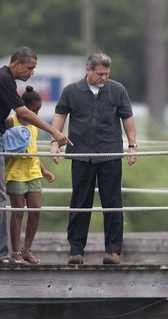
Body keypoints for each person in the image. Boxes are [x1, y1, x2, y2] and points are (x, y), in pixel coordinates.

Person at [0, 47, 70, 265]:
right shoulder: (3, 78)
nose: (32, 72)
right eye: (30, 67)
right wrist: (53, 130)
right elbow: (22, 112)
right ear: (16, 63)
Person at [50, 52, 137, 265]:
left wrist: (132, 145)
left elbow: (128, 117)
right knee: (80, 202)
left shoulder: (117, 90)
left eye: (106, 74)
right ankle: (76, 250)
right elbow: (60, 116)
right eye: (100, 74)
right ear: (88, 70)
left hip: (110, 154)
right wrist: (54, 141)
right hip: (81, 153)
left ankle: (113, 251)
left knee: (113, 202)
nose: (104, 78)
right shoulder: (71, 91)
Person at [4, 86, 56, 264]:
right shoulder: (10, 122)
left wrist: (43, 170)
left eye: (38, 111)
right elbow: (5, 146)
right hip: (16, 171)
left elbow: (32, 150)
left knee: (35, 209)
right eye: (33, 111)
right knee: (17, 212)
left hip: (32, 170)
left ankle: (27, 248)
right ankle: (16, 251)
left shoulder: (34, 125)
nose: (35, 114)